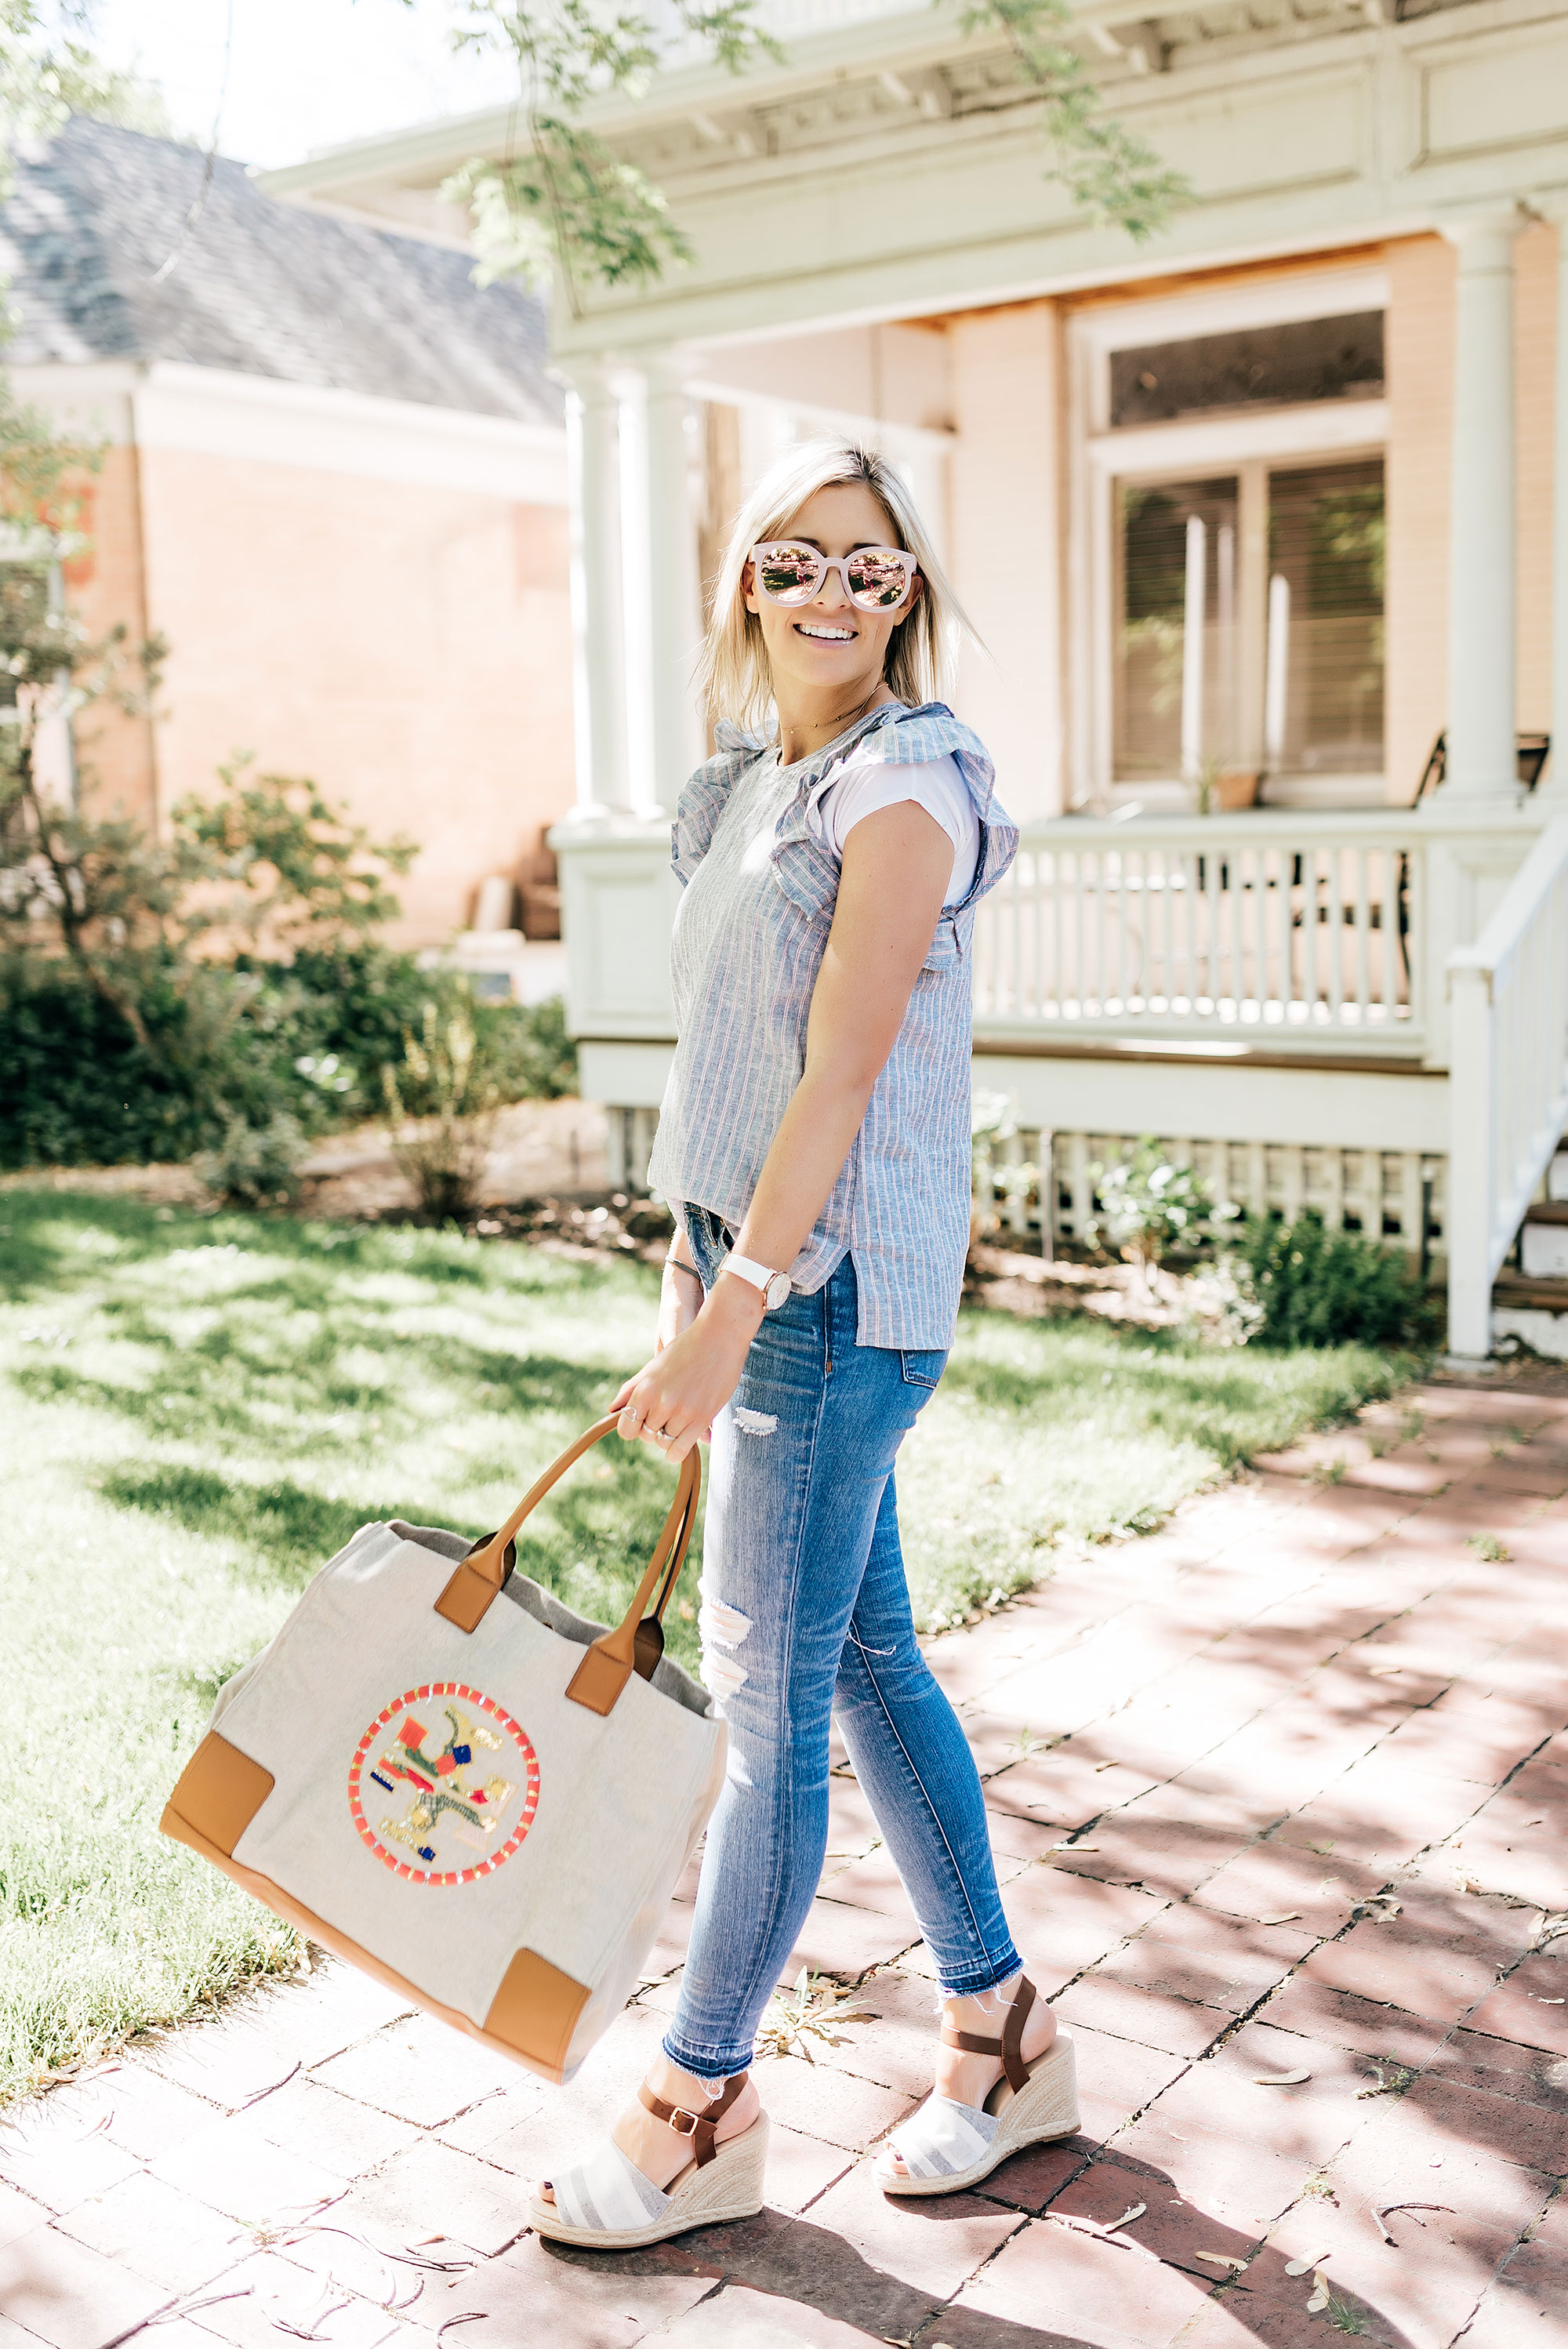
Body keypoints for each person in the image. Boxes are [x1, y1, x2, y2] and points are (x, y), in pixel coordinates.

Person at [528, 440, 1077, 2250]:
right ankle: (1003, 2034)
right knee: (859, 1659)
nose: (836, 592)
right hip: (755, 1275)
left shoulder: (906, 782)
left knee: (768, 1707)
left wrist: (743, 1305)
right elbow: (733, 1067)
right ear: (742, 584)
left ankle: (699, 2100)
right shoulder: (741, 786)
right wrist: (681, 1273)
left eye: (873, 565)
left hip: (834, 1303)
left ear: (907, 594)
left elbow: (844, 1072)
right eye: (796, 559)